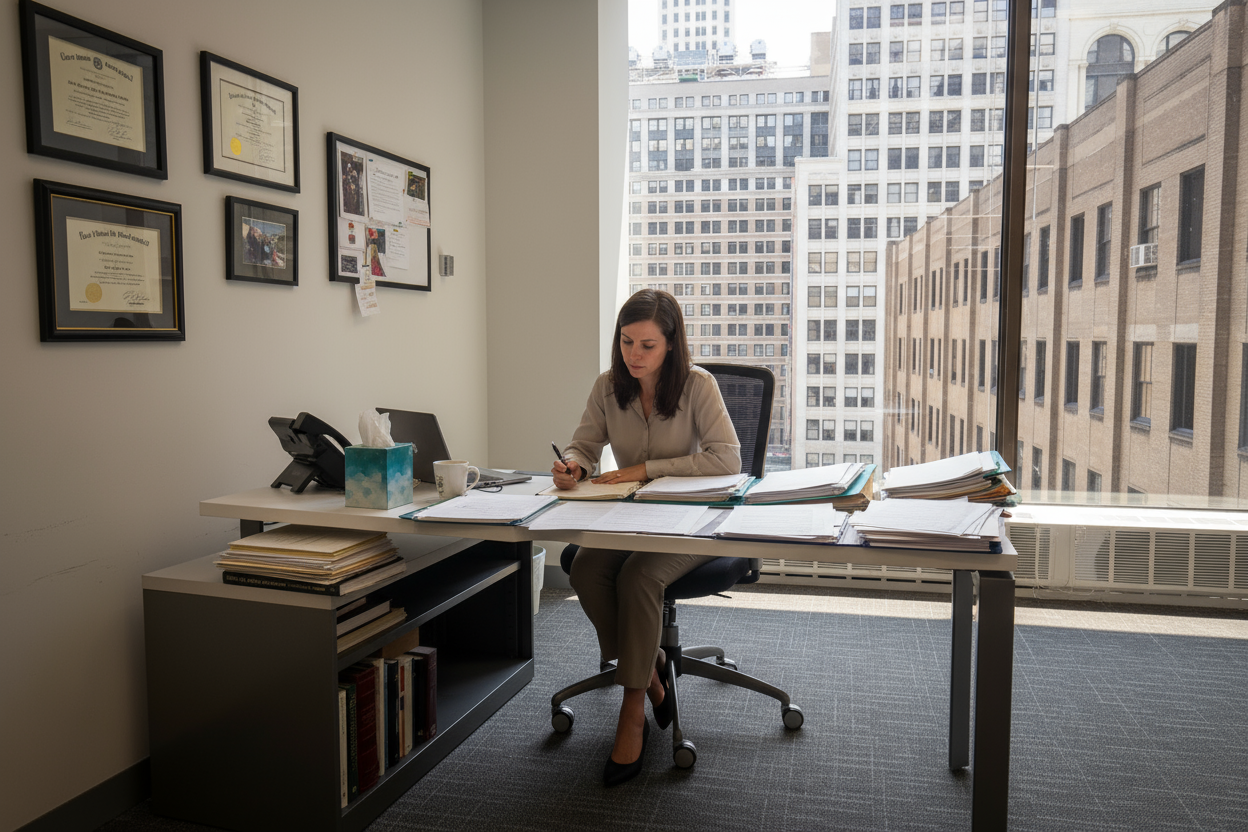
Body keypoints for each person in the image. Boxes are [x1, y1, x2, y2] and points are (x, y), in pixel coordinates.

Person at [552, 289, 741, 787]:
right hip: (628, 518)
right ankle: (653, 668)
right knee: (585, 567)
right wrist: (575, 463)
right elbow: (585, 441)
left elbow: (727, 459)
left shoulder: (698, 386)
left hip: (688, 523)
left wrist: (646, 468)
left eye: (648, 345)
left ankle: (633, 705)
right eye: (626, 341)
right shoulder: (608, 385)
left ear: (672, 345)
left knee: (638, 577)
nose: (634, 355)